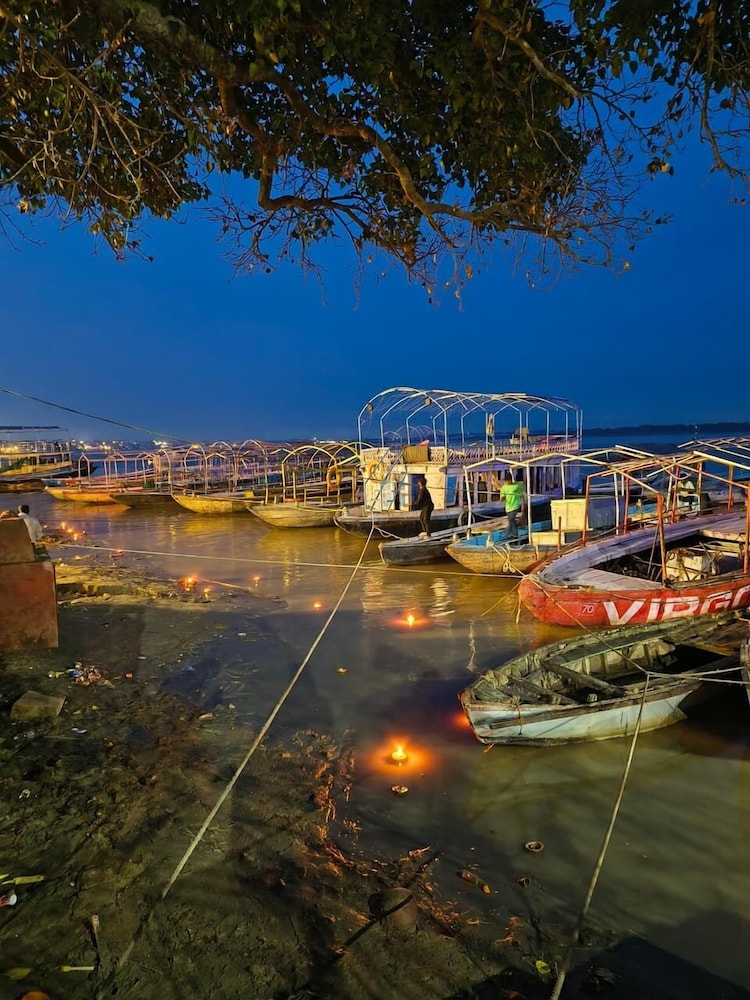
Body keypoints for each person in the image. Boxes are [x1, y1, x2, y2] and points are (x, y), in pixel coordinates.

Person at [500, 470, 525, 539]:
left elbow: (522, 495)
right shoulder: (504, 487)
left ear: (510, 480)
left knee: (511, 519)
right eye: (505, 481)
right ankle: (515, 534)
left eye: (507, 480)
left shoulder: (517, 486)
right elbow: (502, 496)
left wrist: (523, 504)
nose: (506, 482)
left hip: (515, 505)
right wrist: (501, 500)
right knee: (512, 521)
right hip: (508, 506)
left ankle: (506, 534)